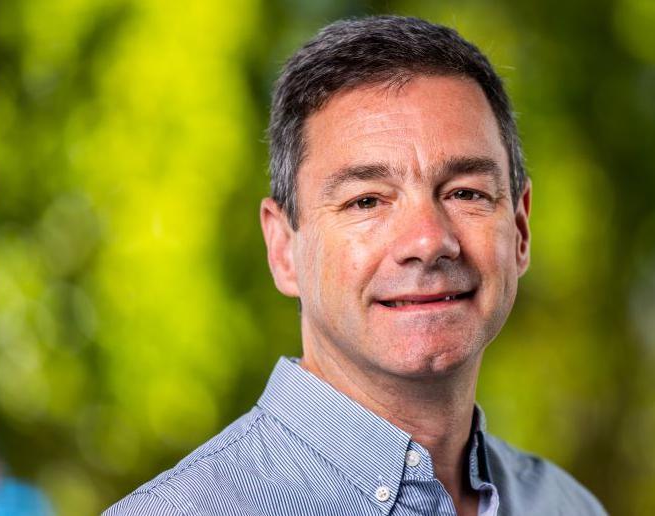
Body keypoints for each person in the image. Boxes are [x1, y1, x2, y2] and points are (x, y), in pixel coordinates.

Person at [105, 15, 606, 516]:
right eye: (366, 201)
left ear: (519, 229)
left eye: (465, 193)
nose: (429, 240)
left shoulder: (569, 506)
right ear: (283, 249)